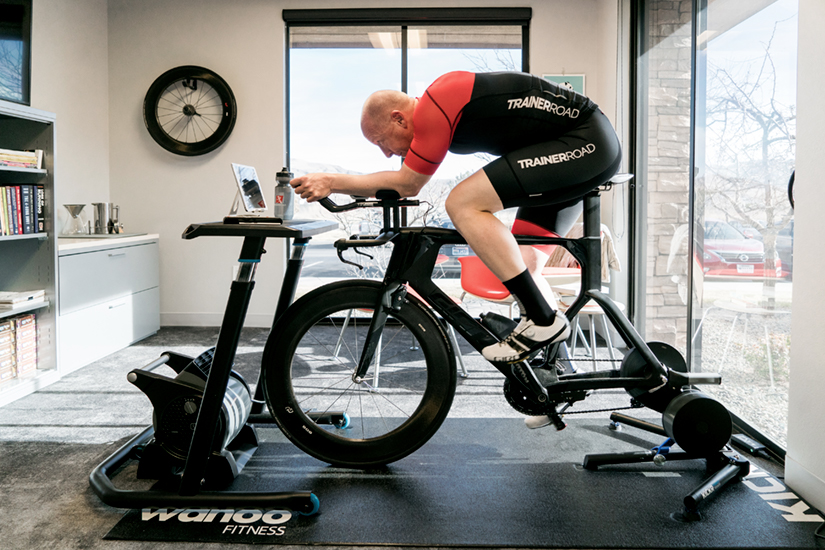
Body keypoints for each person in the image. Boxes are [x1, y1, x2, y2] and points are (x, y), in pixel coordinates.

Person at [290, 70, 622, 365]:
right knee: (526, 264)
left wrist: (332, 182)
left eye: (381, 141)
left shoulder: (435, 105)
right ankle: (553, 377)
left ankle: (542, 321)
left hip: (585, 142)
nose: (386, 153)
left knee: (462, 203)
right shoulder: (439, 109)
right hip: (566, 150)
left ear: (399, 119)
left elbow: (408, 183)